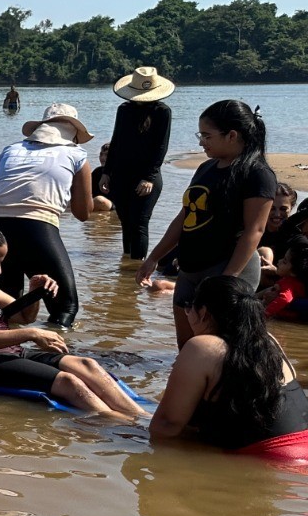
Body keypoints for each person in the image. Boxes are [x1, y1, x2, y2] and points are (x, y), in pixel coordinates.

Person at [0, 226, 146, 417]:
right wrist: (32, 334)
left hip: (10, 353)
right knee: (69, 382)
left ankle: (141, 417)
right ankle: (123, 427)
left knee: (86, 364)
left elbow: (24, 317)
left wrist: (35, 292)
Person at [137, 100, 276, 347]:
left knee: (220, 349)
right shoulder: (206, 168)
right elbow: (184, 217)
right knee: (188, 347)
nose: (201, 141)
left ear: (232, 135)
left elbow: (254, 231)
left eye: (206, 135)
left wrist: (226, 279)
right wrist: (154, 257)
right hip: (190, 269)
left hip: (228, 268)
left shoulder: (257, 174)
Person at [150, 275, 308, 461]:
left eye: (189, 308)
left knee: (116, 418)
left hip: (269, 457)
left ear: (204, 312)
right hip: (301, 446)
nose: (187, 314)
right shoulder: (269, 341)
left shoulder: (203, 347)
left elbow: (165, 427)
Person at [0, 103, 94, 329]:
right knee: (65, 307)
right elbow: (83, 213)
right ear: (73, 135)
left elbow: (8, 192)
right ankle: (56, 355)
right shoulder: (76, 154)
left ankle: (1, 353)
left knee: (7, 306)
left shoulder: (10, 150)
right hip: (36, 228)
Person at [105, 66, 175, 263]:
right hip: (120, 174)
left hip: (147, 176)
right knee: (125, 221)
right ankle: (127, 264)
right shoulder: (124, 110)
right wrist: (107, 172)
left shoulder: (162, 112)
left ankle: (136, 269)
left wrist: (149, 177)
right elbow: (116, 141)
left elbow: (161, 147)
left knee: (139, 222)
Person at [260, 237, 308, 320]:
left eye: (284, 261)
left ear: (293, 272)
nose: (279, 261)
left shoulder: (289, 283)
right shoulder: (290, 280)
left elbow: (285, 299)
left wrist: (264, 314)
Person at [90, 144, 115, 213]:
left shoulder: (121, 173)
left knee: (99, 200)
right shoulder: (97, 171)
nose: (102, 158)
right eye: (101, 154)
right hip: (96, 202)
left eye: (107, 155)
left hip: (113, 205)